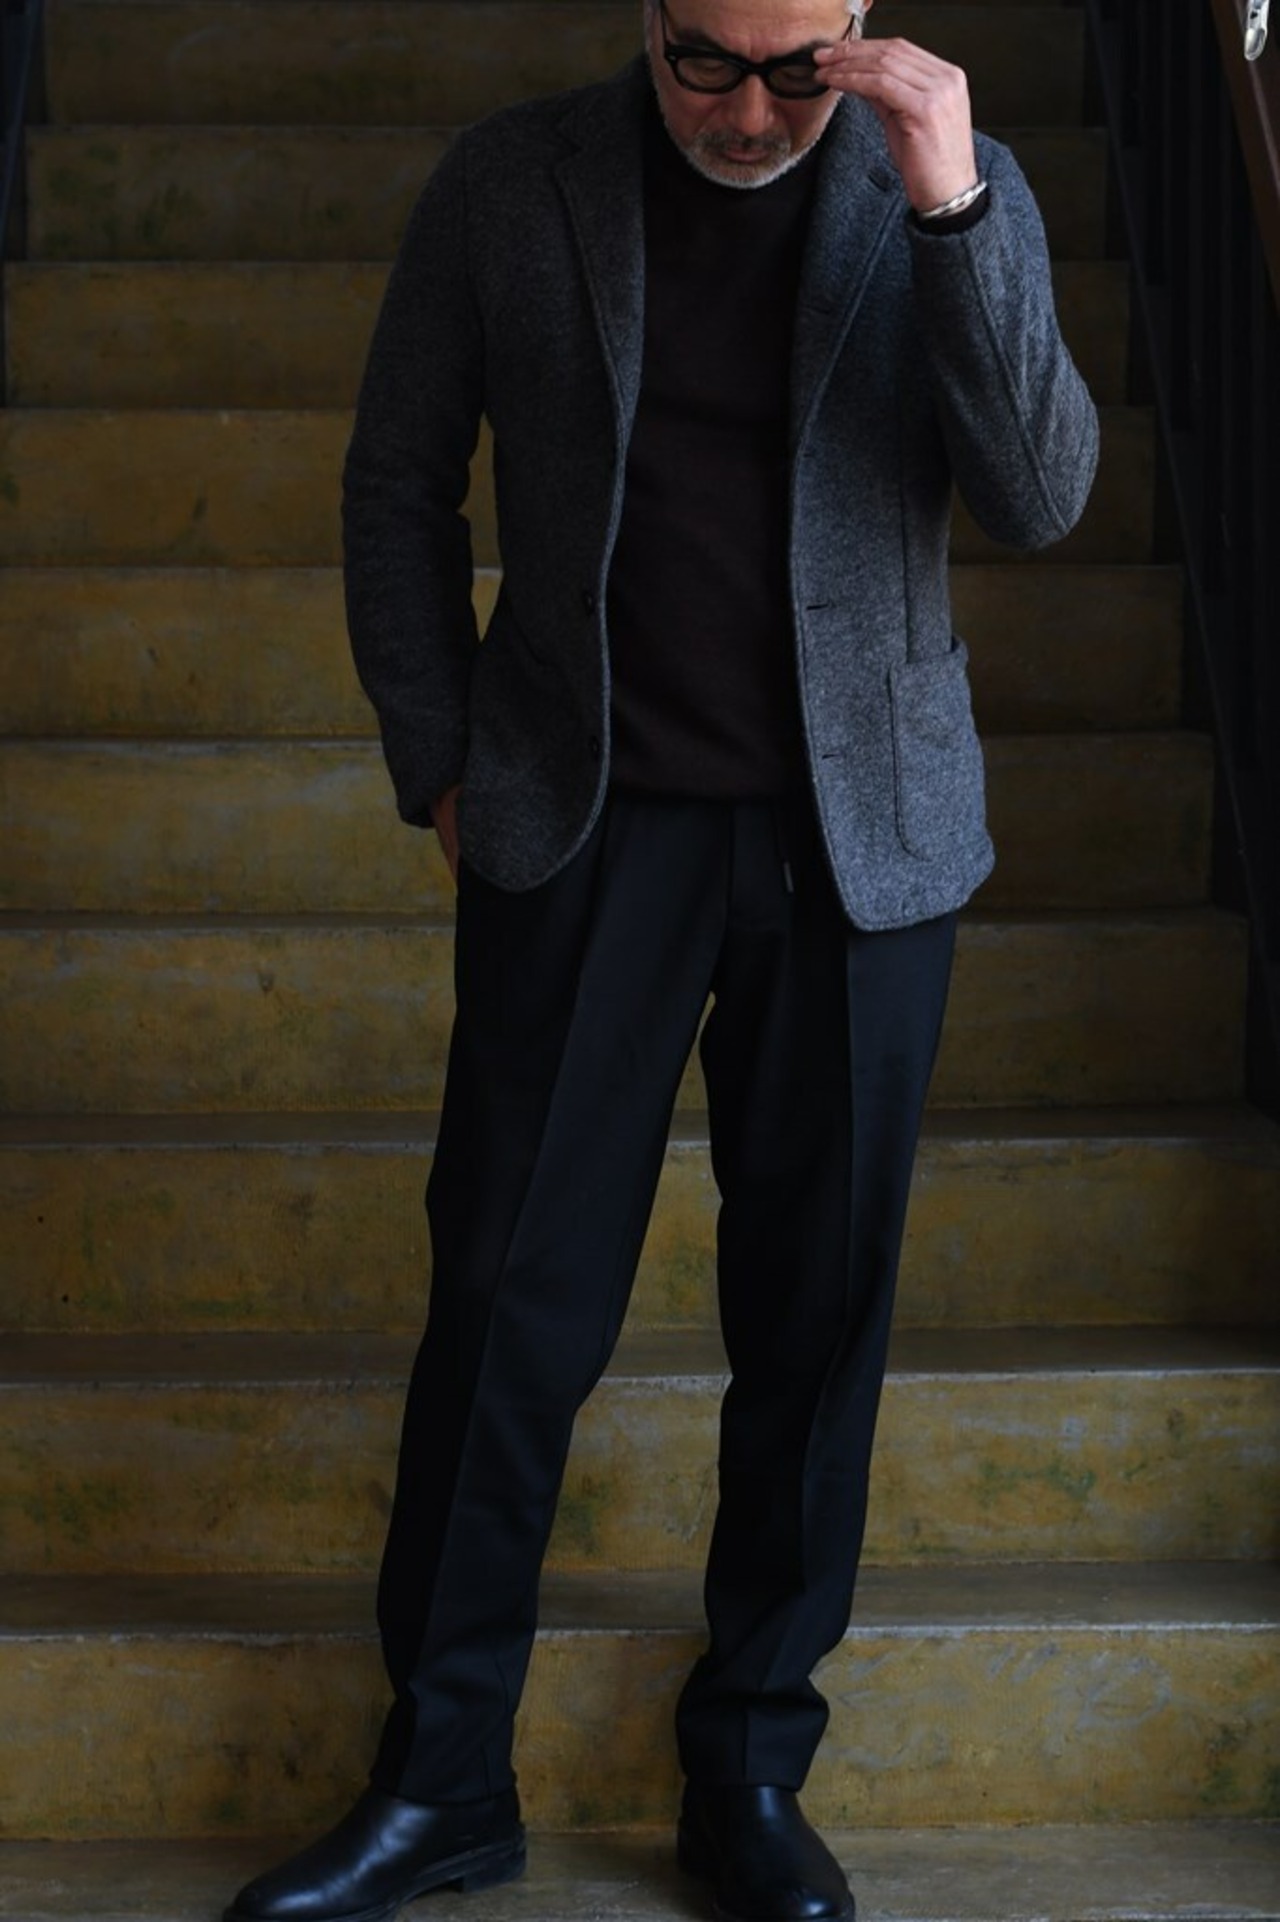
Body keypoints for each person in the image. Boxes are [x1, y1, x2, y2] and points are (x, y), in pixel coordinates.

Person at [226, 2, 1098, 1919]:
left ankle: (751, 1766)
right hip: (583, 830)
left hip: (859, 849)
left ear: (859, 31)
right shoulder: (508, 185)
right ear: (647, 18)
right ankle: (441, 1777)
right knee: (504, 1316)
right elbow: (394, 478)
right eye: (708, 60)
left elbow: (1041, 492)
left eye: (799, 68)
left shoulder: (951, 187)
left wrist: (950, 212)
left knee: (815, 1324)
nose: (751, 111)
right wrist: (441, 757)